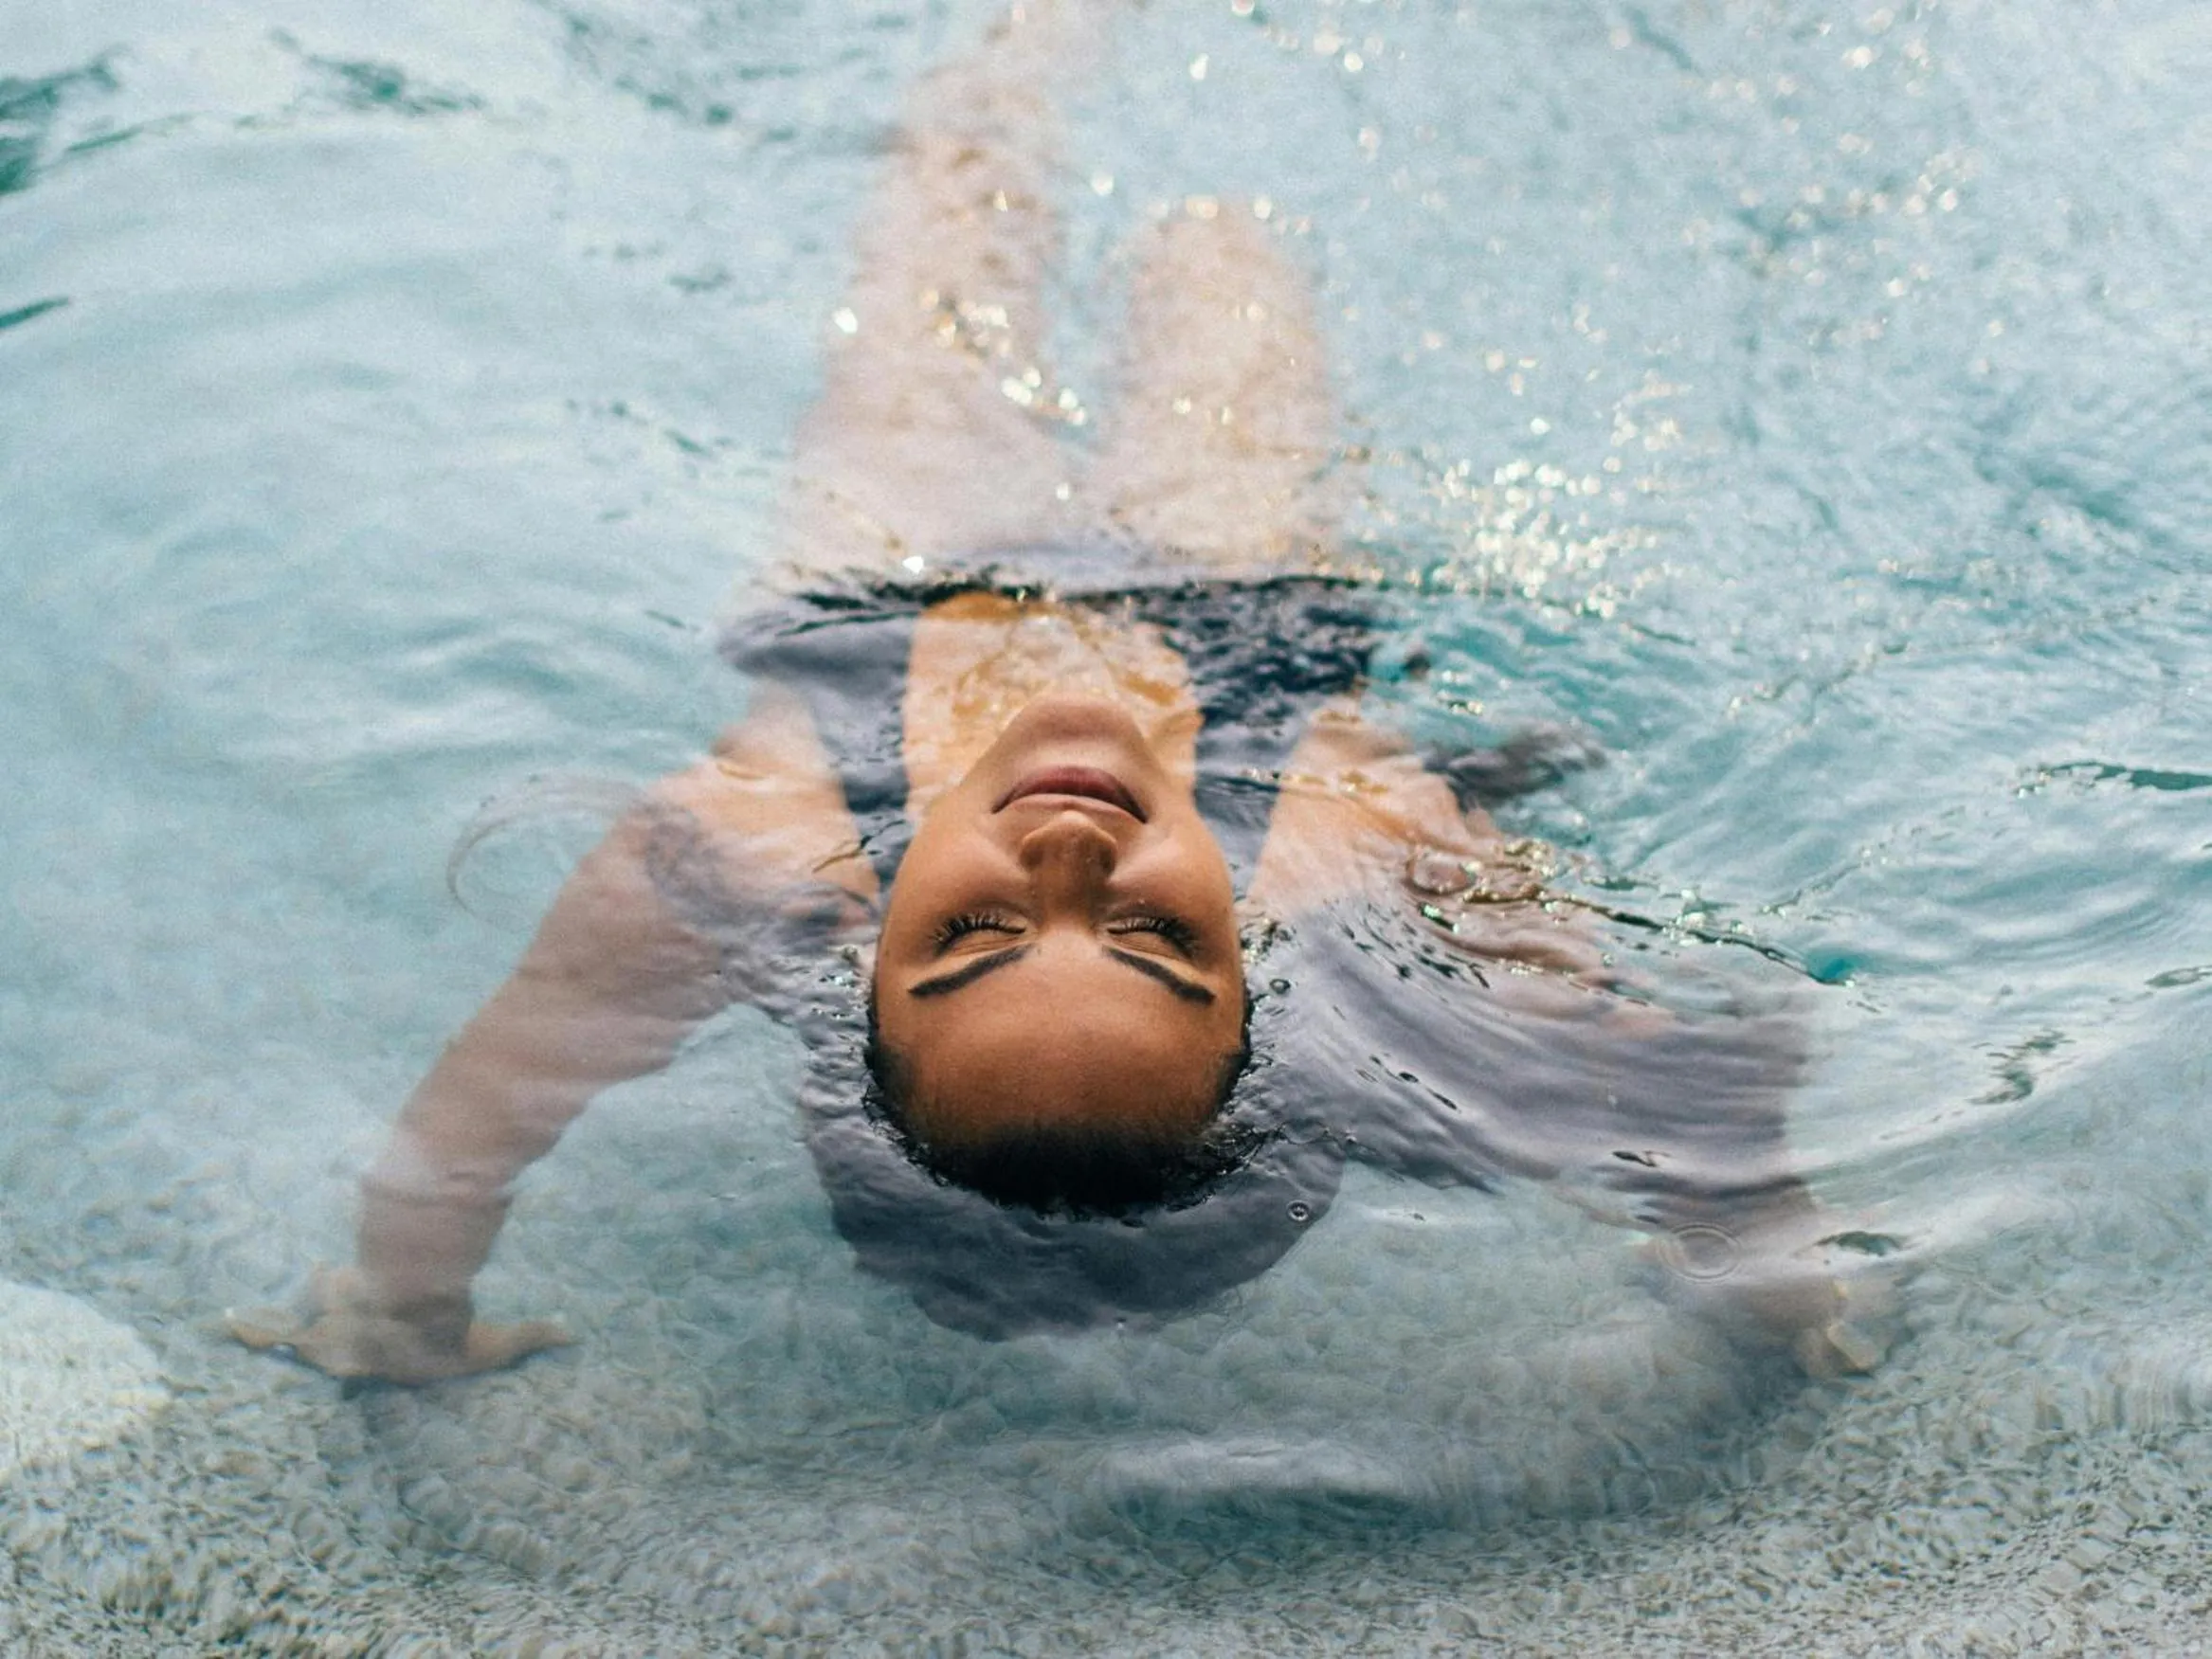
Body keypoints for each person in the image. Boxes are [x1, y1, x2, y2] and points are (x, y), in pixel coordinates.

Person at [232, 0, 1885, 1384]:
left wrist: (395, 1312)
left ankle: (1030, 27)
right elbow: (1650, 1092)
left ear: (855, 973)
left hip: (893, 589)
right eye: (1164, 941)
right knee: (1218, 263)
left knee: (943, 220)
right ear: (1270, 999)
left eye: (965, 937)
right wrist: (1769, 1281)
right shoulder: (1353, 866)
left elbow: (483, 1111)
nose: (1072, 868)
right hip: (1237, 611)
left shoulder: (740, 857)